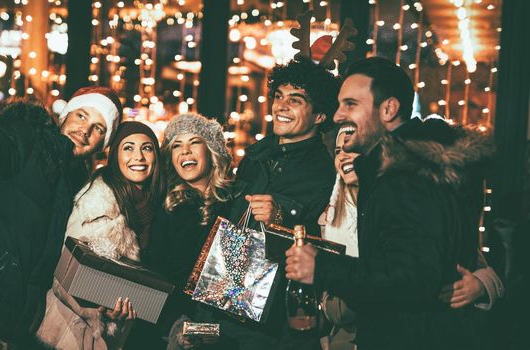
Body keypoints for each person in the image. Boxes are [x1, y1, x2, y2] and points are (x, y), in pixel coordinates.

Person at [0, 38, 122, 349]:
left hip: (9, 323)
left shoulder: (71, 180)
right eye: (82, 116)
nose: (86, 130)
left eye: (99, 128)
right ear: (64, 116)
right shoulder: (24, 139)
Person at [285, 56, 492, 349]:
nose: (337, 115)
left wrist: (322, 267)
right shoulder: (409, 167)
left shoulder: (406, 174)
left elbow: (413, 277)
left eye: (351, 104)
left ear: (388, 109)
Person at [317, 128, 503, 350]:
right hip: (344, 339)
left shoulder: (403, 202)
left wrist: (480, 285)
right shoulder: (328, 218)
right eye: (338, 150)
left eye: (353, 148)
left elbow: (475, 263)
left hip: (400, 332)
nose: (344, 155)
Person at [206, 58, 340, 349]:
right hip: (228, 301)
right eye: (278, 96)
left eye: (295, 100)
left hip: (276, 323)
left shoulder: (326, 174)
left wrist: (284, 217)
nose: (281, 106)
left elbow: (329, 247)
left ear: (319, 116)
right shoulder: (255, 157)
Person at [36, 121, 164, 349]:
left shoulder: (158, 207)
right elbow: (62, 276)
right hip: (74, 333)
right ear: (115, 156)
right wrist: (98, 308)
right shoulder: (97, 203)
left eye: (147, 148)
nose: (139, 156)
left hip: (121, 338)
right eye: (128, 148)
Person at [143, 113, 235, 349]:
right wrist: (176, 325)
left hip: (231, 328)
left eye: (194, 142)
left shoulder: (236, 202)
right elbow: (158, 273)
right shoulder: (166, 208)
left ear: (212, 151)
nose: (185, 151)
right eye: (176, 146)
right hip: (182, 326)